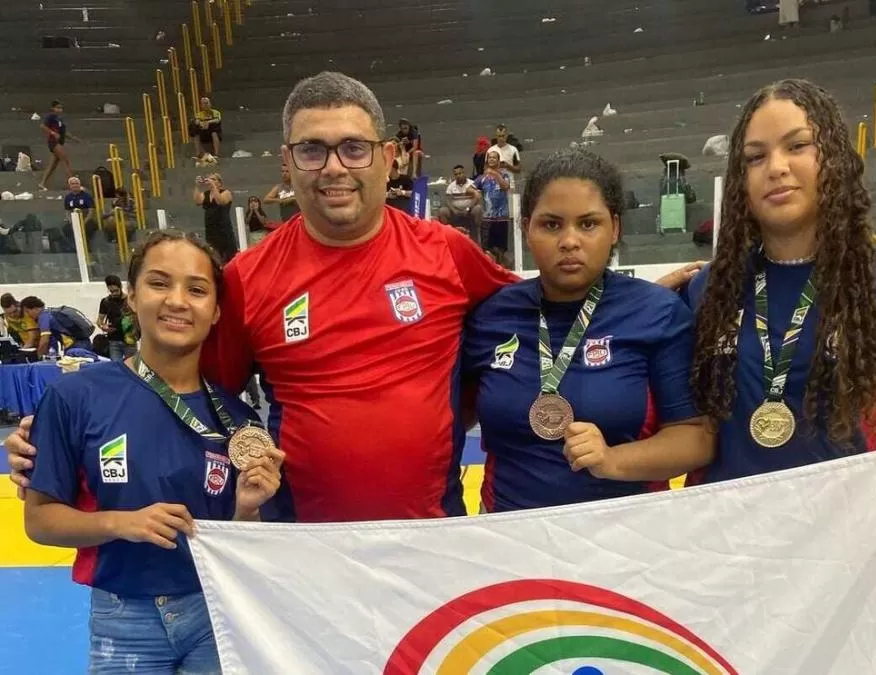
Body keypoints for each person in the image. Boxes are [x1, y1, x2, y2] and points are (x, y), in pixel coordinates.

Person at [4, 71, 693, 521]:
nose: (334, 167)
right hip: (306, 543)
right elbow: (188, 397)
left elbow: (546, 303)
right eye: (313, 150)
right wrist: (65, 434)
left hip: (434, 536)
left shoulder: (446, 253)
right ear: (287, 163)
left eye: (354, 148)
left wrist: (634, 299)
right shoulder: (248, 277)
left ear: (388, 157)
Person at [686, 79, 876, 485]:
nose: (776, 167)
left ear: (834, 158)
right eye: (755, 157)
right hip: (719, 521)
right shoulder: (709, 289)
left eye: (797, 146)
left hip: (838, 519)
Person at [22, 229, 284, 673]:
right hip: (125, 618)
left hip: (217, 611)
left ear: (216, 311)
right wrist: (120, 523)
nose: (177, 301)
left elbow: (241, 544)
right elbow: (39, 521)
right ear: (131, 296)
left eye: (196, 290)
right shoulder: (75, 397)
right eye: (159, 283)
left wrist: (247, 511)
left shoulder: (238, 419)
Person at [464, 150, 714, 512]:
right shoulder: (491, 316)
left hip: (624, 532)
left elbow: (696, 438)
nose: (569, 241)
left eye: (588, 224)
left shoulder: (658, 313)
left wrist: (613, 460)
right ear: (526, 229)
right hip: (508, 531)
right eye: (551, 225)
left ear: (615, 228)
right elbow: (454, 416)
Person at [21, 296, 92, 357]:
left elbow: (44, 341)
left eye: (27, 311)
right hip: (83, 343)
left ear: (36, 308)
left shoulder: (43, 317)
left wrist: (40, 357)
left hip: (75, 348)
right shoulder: (50, 312)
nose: (28, 315)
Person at [475, 149, 512, 265]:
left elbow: (505, 186)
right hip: (487, 217)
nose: (491, 159)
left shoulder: (504, 175)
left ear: (498, 161)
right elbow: (470, 187)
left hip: (501, 216)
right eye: (490, 157)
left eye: (494, 157)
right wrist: (474, 192)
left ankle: (503, 267)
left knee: (500, 248)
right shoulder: (482, 177)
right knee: (488, 249)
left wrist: (495, 174)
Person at [194, 173, 237, 262]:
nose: (210, 181)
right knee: (214, 255)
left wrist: (214, 187)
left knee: (228, 255)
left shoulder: (226, 192)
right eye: (209, 179)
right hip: (210, 229)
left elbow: (220, 201)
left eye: (213, 179)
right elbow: (197, 201)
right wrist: (197, 186)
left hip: (223, 229)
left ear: (220, 183)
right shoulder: (206, 194)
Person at [38, 100, 81, 191]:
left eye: (61, 108)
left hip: (59, 142)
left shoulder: (59, 119)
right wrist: (53, 133)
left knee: (52, 165)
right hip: (53, 142)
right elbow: (42, 126)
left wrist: (73, 138)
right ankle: (72, 184)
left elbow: (63, 132)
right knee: (65, 160)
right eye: (57, 108)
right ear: (52, 108)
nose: (60, 110)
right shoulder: (51, 117)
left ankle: (42, 183)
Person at [438, 164, 482, 239]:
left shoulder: (472, 184)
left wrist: (468, 208)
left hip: (469, 211)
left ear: (464, 173)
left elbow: (477, 198)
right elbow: (448, 200)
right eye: (456, 174)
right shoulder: (451, 186)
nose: (458, 176)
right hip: (455, 212)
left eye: (460, 173)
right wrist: (454, 210)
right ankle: (446, 236)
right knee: (442, 211)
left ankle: (477, 233)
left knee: (478, 208)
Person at [97, 275, 131, 361]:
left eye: (116, 291)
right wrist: (103, 327)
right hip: (113, 340)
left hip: (129, 339)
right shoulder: (106, 302)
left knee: (132, 366)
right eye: (111, 291)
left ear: (120, 287)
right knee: (115, 366)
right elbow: (99, 320)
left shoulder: (130, 300)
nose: (114, 294)